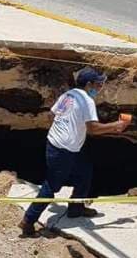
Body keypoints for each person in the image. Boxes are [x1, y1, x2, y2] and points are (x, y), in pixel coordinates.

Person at [19, 67, 130, 237]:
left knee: (84, 172)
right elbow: (93, 129)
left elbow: (52, 114)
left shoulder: (68, 95)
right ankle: (28, 221)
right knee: (51, 186)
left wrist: (65, 129)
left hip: (61, 145)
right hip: (63, 150)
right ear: (89, 84)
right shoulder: (87, 101)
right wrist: (116, 126)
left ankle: (75, 208)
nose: (100, 86)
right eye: (98, 83)